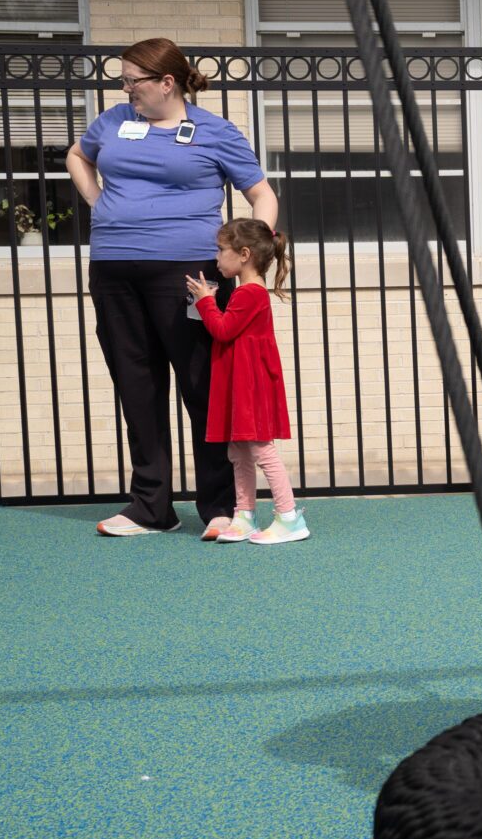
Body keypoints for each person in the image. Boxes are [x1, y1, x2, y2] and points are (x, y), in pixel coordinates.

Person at [67, 38, 278, 539]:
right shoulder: (114, 121)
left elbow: (261, 194)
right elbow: (78, 155)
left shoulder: (215, 132)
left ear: (166, 83)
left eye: (132, 81)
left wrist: (253, 252)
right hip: (114, 270)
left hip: (188, 272)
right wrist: (100, 204)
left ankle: (220, 508)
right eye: (122, 80)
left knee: (202, 386)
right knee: (136, 385)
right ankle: (150, 507)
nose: (124, 89)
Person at [185, 219, 306, 546]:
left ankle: (289, 516)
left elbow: (223, 330)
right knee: (238, 451)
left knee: (261, 450)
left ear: (244, 254)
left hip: (249, 386)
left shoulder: (250, 294)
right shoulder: (247, 293)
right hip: (240, 384)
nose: (217, 257)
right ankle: (244, 515)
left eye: (221, 250)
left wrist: (205, 301)